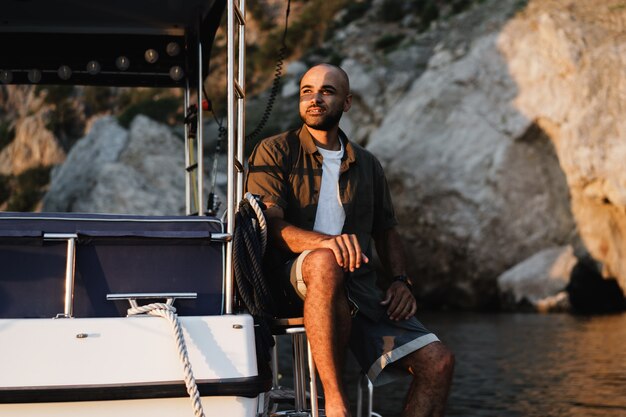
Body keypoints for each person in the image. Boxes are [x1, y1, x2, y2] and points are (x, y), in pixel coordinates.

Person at [245, 63, 454, 417]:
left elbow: (386, 230)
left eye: (327, 91)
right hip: (289, 280)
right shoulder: (274, 151)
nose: (315, 99)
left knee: (439, 363)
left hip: (359, 289)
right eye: (307, 91)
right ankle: (336, 406)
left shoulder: (368, 164)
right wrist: (325, 243)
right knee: (326, 263)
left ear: (347, 102)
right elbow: (271, 226)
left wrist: (402, 281)